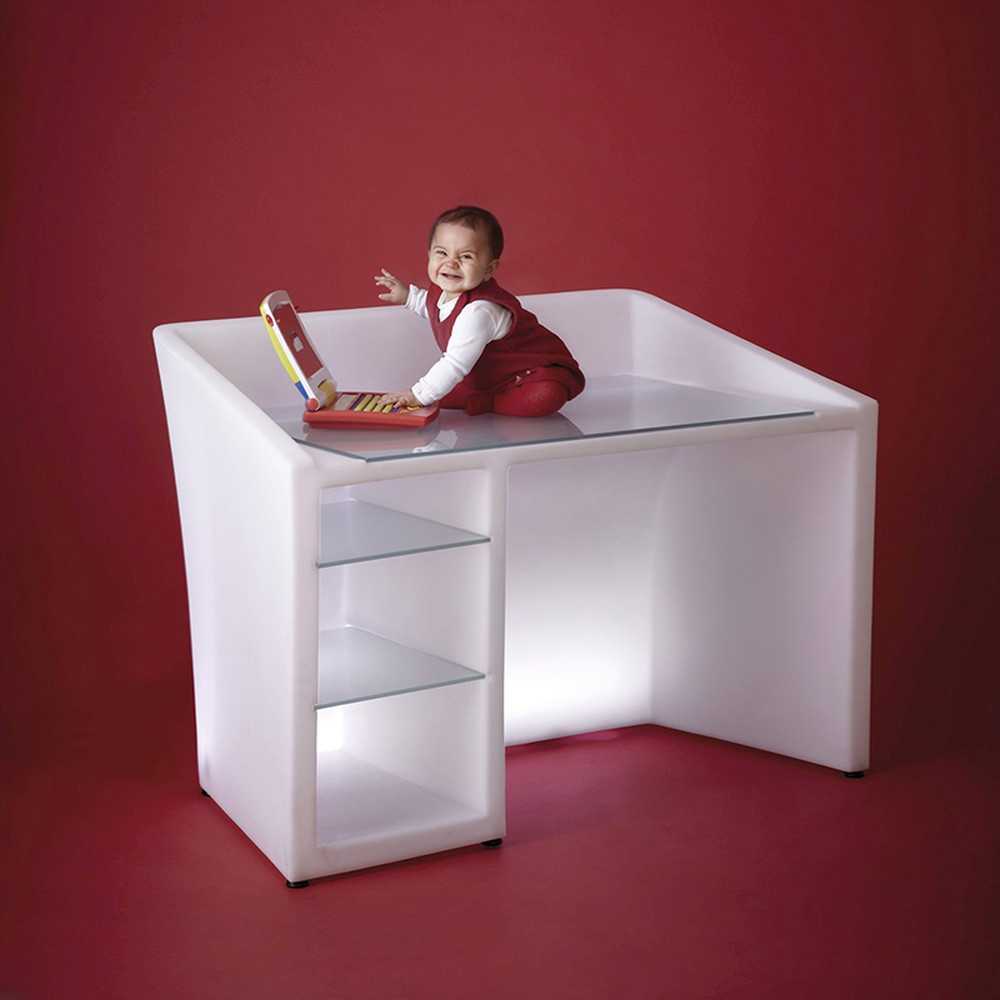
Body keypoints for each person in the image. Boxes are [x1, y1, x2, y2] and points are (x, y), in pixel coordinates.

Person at [374, 206, 585, 417]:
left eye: (466, 257)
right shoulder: (443, 291)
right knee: (443, 389)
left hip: (532, 374)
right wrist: (408, 297)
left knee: (545, 395)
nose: (451, 263)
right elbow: (434, 307)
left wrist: (417, 395)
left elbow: (455, 363)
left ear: (489, 269)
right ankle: (477, 392)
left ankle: (489, 401)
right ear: (429, 255)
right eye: (442, 253)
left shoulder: (479, 311)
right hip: (489, 375)